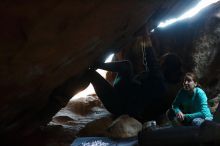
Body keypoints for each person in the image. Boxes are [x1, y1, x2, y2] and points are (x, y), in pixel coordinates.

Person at [87, 35, 182, 123]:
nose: (158, 60)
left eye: (161, 60)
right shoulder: (161, 83)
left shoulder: (160, 82)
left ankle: (92, 66)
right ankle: (97, 64)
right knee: (127, 66)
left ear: (165, 66)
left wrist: (145, 35)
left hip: (119, 106)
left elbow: (151, 61)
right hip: (123, 98)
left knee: (90, 74)